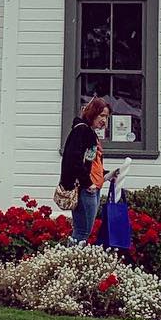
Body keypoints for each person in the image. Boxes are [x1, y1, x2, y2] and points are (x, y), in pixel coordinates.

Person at [58, 96, 110, 243]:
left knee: (82, 232)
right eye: (102, 115)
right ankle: (68, 263)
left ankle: (69, 262)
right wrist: (88, 183)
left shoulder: (90, 133)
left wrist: (106, 175)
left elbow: (90, 162)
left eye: (106, 117)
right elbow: (73, 161)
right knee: (81, 233)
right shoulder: (81, 131)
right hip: (85, 189)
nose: (104, 120)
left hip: (92, 186)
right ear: (92, 113)